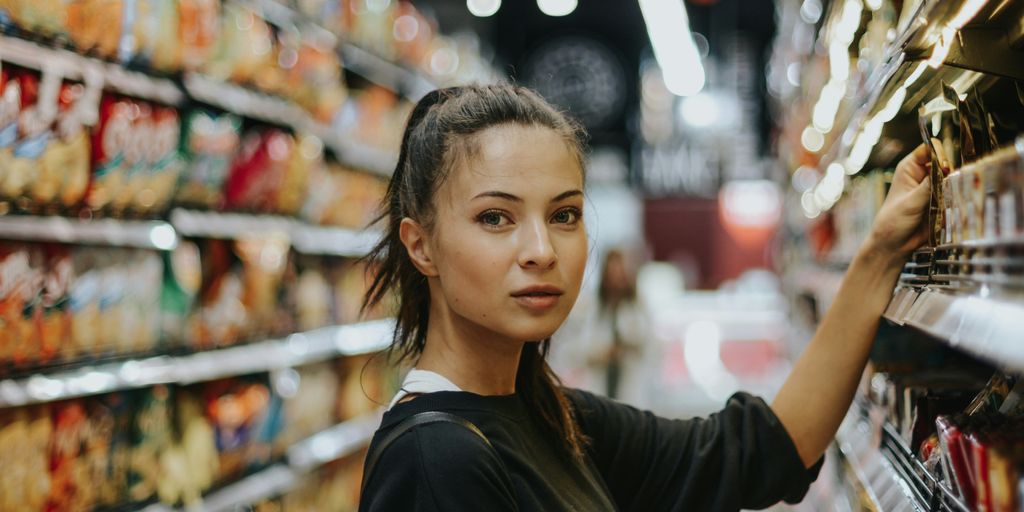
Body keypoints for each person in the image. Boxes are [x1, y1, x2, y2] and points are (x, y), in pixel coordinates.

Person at [358, 84, 934, 511]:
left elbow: (760, 453)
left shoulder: (552, 415)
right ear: (421, 246)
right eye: (495, 217)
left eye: (564, 215)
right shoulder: (435, 463)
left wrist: (881, 252)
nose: (541, 250)